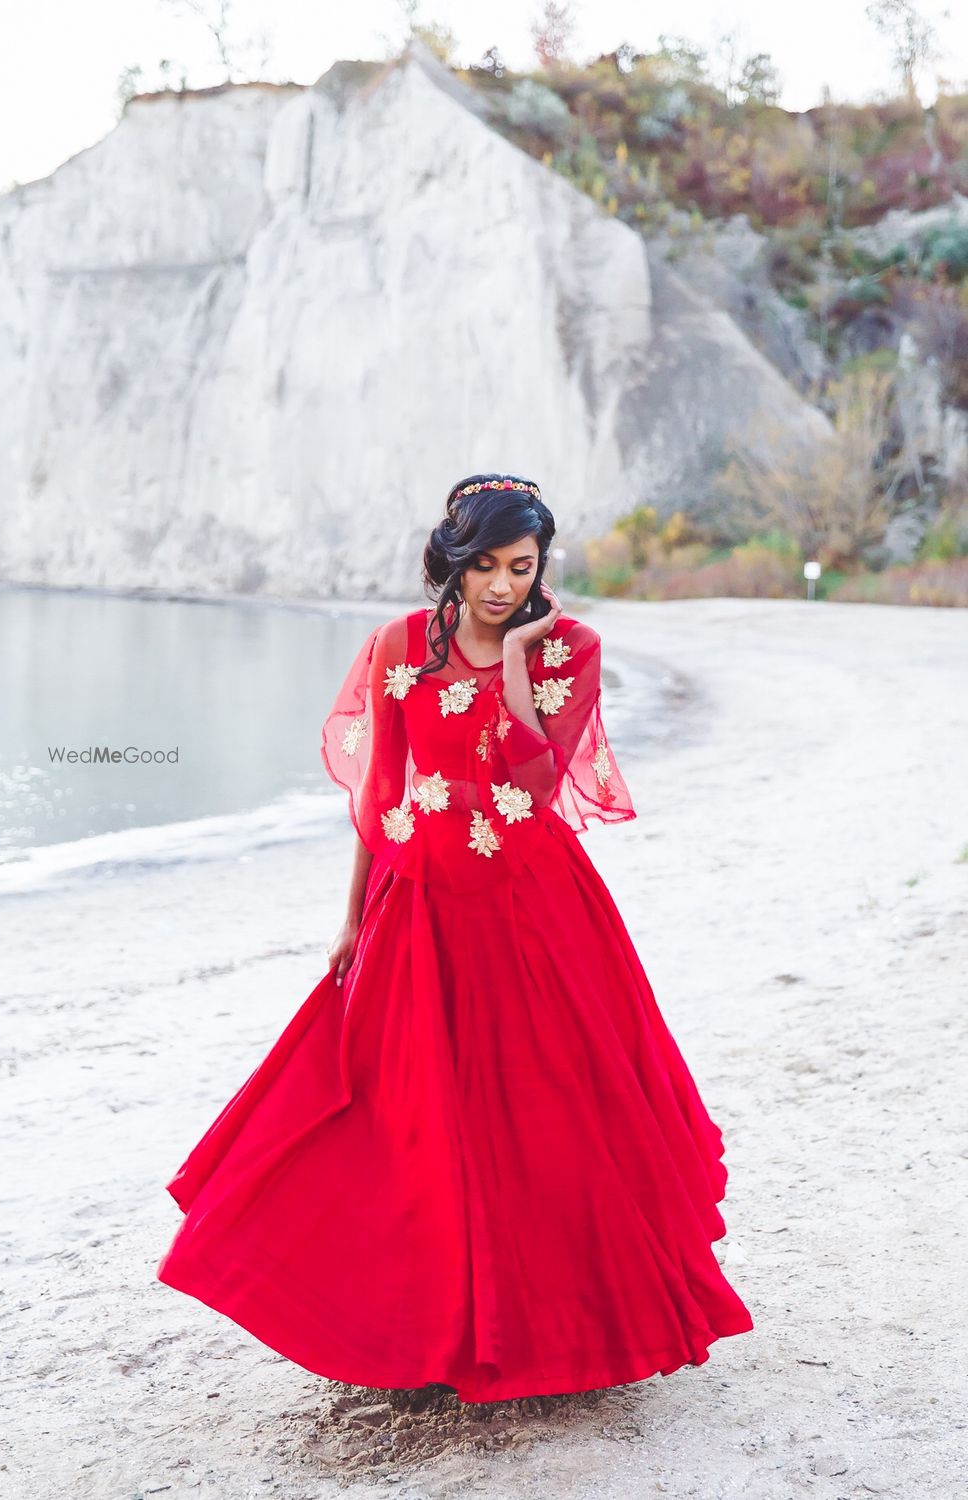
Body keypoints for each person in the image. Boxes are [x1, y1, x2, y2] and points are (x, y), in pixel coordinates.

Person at [156, 472, 754, 1404]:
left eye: (522, 567)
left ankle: (561, 1330)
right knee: (407, 1114)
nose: (502, 585)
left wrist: (517, 657)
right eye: (484, 565)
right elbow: (377, 795)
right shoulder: (399, 645)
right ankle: (420, 1326)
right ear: (454, 560)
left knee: (550, 1109)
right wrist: (352, 916)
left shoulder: (571, 649)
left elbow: (537, 780)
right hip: (421, 899)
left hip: (532, 900)